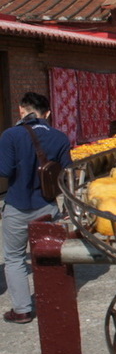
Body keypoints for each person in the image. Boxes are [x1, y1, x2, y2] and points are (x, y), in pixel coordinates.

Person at [0, 92, 72, 324]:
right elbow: (67, 175)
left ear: (22, 110)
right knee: (51, 255)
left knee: (14, 258)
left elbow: (4, 171)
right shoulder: (60, 137)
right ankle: (54, 302)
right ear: (48, 113)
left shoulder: (10, 135)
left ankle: (22, 310)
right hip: (47, 206)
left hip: (17, 206)